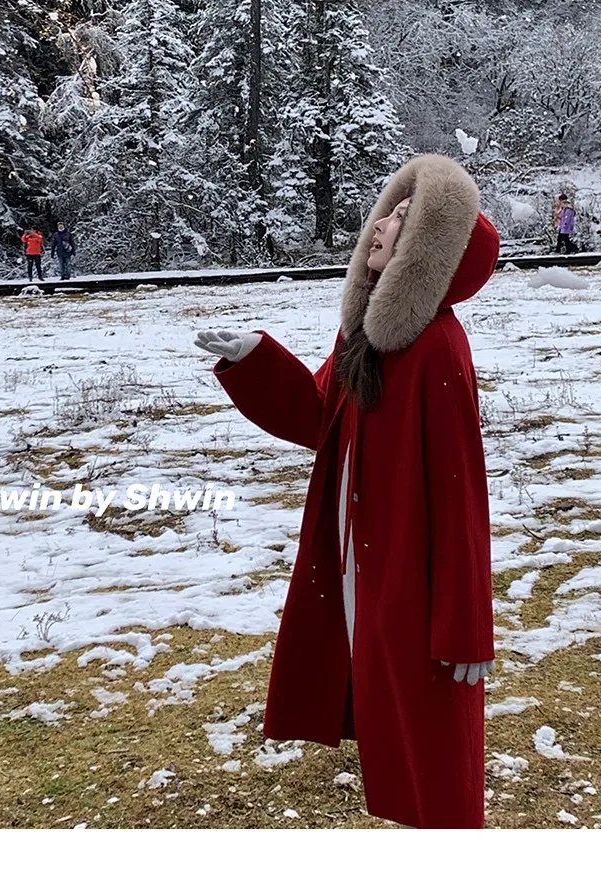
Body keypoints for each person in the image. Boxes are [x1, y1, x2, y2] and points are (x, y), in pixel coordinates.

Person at [195, 154, 498, 829]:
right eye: (388, 209)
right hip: (363, 569)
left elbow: (461, 495)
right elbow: (315, 413)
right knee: (396, 745)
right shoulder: (366, 339)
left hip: (411, 588)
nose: (382, 223)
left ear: (428, 249)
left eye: (402, 216)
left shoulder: (437, 348)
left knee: (437, 758)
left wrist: (466, 623)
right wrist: (254, 357)